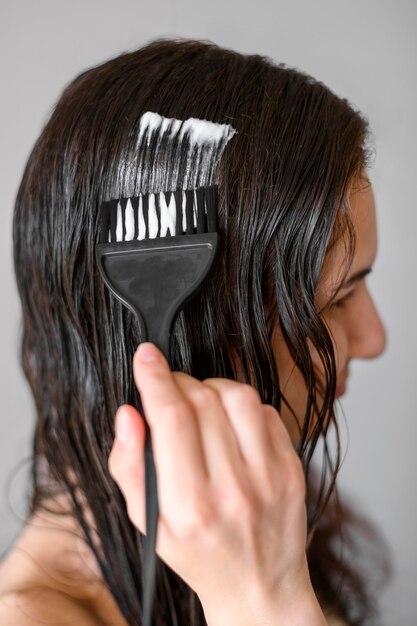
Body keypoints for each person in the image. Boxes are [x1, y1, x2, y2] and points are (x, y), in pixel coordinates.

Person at [0, 38, 391, 625]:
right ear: (200, 330)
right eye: (338, 298)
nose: (375, 338)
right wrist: (265, 604)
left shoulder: (261, 514)